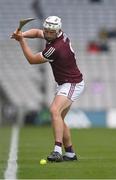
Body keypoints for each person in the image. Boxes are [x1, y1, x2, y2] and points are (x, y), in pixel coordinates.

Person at [11, 16, 85, 162]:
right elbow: (38, 33)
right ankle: (70, 153)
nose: (48, 34)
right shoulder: (57, 34)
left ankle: (57, 151)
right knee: (59, 119)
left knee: (54, 111)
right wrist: (23, 33)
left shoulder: (55, 48)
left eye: (51, 32)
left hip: (72, 83)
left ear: (57, 31)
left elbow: (32, 60)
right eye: (47, 30)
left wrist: (21, 41)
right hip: (65, 83)